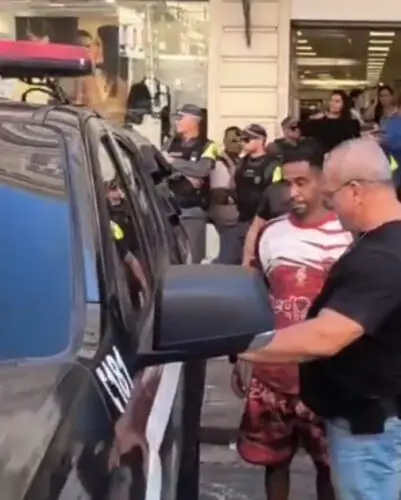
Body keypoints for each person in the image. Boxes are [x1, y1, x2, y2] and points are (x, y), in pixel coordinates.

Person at [239, 138, 401, 500]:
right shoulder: (380, 244)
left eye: (332, 195)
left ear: (355, 191)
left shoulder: (382, 256)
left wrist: (235, 345)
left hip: (371, 429)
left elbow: (327, 336)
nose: (330, 205)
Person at [234, 140, 350, 500]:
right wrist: (243, 355)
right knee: (274, 463)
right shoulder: (272, 233)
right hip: (274, 374)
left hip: (330, 376)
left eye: (302, 182)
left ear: (323, 181)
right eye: (287, 183)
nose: (293, 193)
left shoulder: (349, 236)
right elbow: (258, 296)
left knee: (330, 468)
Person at [163, 104, 218, 263]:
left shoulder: (209, 145)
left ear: (194, 121)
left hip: (192, 209)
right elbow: (161, 166)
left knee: (193, 257)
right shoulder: (170, 142)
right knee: (171, 257)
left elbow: (202, 170)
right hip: (170, 208)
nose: (177, 122)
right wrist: (186, 174)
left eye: (181, 118)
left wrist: (173, 162)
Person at [229, 124, 279, 265]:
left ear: (261, 140)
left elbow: (276, 193)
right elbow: (233, 185)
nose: (243, 143)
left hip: (264, 221)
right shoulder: (242, 162)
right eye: (242, 139)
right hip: (243, 219)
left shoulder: (273, 164)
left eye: (247, 139)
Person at [208, 126, 242, 264]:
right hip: (226, 211)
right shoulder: (219, 162)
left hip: (235, 211)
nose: (238, 144)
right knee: (229, 252)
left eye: (240, 140)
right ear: (225, 141)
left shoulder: (239, 161)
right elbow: (219, 193)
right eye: (233, 140)